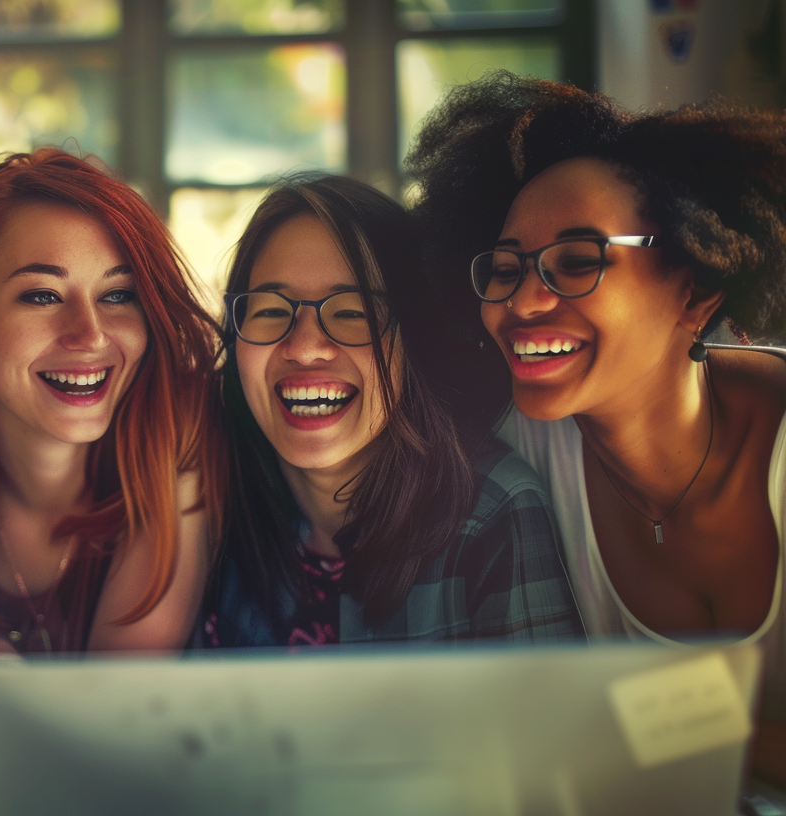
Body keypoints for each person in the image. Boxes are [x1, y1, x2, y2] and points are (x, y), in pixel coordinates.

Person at [406, 72, 786, 783]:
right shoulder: (509, 475)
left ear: (696, 290)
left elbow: (608, 726)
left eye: (578, 262)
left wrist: (651, 722)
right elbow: (543, 735)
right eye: (506, 268)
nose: (523, 301)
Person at [0, 148, 223, 813]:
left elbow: (112, 708)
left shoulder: (176, 441)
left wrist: (2, 718)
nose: (89, 334)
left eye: (117, 295)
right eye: (41, 295)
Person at [201, 173, 583, 649]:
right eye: (272, 311)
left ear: (415, 339)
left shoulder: (492, 513)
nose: (304, 348)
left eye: (352, 312)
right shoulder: (205, 504)